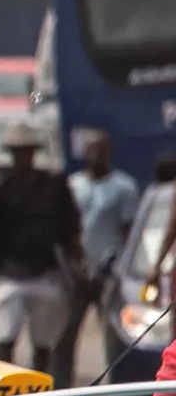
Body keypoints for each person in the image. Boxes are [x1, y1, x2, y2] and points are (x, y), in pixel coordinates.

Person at [0, 124, 85, 384]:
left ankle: (38, 393)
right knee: (4, 339)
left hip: (46, 272)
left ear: (34, 152)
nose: (23, 157)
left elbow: (71, 228)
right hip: (11, 273)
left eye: (27, 151)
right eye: (18, 152)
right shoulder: (0, 190)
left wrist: (78, 261)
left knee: (43, 345)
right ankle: (1, 391)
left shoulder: (54, 187)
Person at [69, 129, 139, 371]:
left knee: (114, 336)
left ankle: (117, 384)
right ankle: (60, 391)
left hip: (110, 273)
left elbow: (129, 233)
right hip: (78, 273)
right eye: (91, 149)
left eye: (101, 149)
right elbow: (69, 229)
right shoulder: (74, 185)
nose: (95, 155)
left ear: (109, 152)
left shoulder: (124, 187)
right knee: (65, 334)